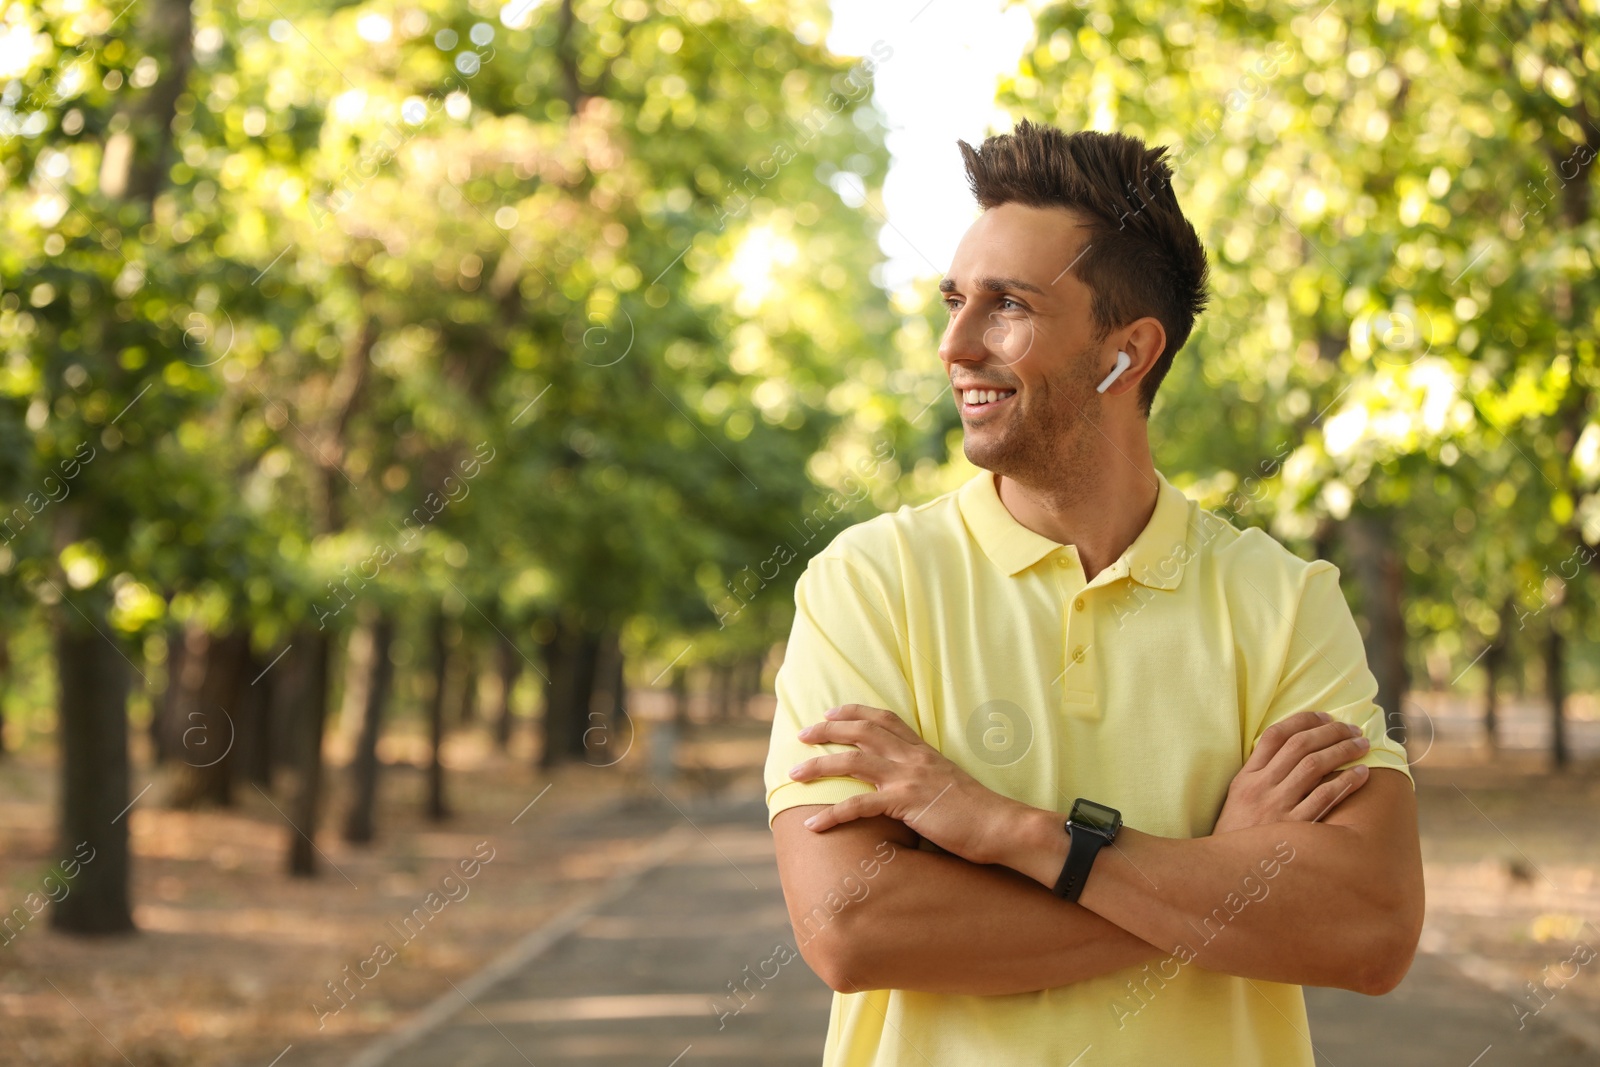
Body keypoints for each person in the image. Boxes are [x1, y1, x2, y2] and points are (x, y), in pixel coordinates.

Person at [763, 120, 1423, 1067]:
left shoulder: (1285, 601)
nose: (956, 342)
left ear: (1128, 352)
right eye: (955, 299)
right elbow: (851, 926)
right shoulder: (868, 584)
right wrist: (1216, 877)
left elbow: (1369, 927)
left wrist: (1011, 834)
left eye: (1008, 306)